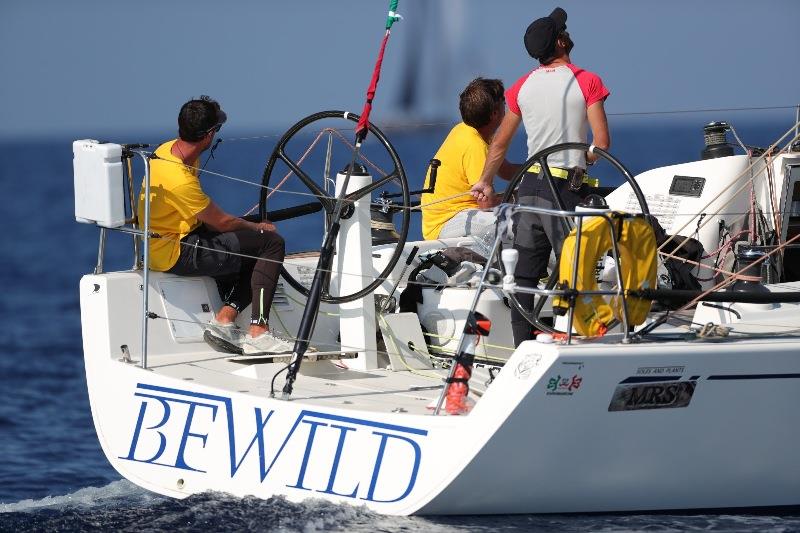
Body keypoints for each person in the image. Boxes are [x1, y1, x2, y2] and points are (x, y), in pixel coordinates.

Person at [470, 7, 611, 345]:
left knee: (524, 278)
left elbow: (499, 143)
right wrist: (587, 158)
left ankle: (523, 349)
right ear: (561, 42)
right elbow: (602, 144)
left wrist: (486, 181)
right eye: (564, 30)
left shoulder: (521, 86)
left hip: (530, 188)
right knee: (574, 271)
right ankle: (576, 340)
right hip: (564, 190)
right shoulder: (587, 80)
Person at [138, 95, 293, 355]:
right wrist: (258, 228)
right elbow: (222, 222)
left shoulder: (168, 150)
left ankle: (225, 318)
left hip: (168, 240)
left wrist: (243, 228)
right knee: (271, 244)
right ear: (209, 135)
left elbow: (209, 218)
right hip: (177, 252)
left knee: (248, 242)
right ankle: (258, 332)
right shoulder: (180, 179)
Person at [421, 77, 519, 241]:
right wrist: (514, 198)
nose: (507, 105)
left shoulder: (465, 129)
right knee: (521, 225)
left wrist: (538, 171)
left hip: (450, 217)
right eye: (503, 100)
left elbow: (506, 170)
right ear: (495, 113)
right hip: (447, 222)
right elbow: (486, 205)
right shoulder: (475, 145)